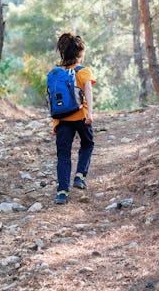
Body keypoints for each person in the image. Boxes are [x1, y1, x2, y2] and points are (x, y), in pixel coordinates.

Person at [52, 32, 95, 205]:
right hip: (81, 116)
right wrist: (90, 113)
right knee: (88, 143)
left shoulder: (56, 74)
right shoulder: (83, 71)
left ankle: (62, 192)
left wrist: (55, 122)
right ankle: (79, 175)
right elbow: (88, 91)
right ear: (80, 53)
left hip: (61, 119)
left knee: (63, 154)